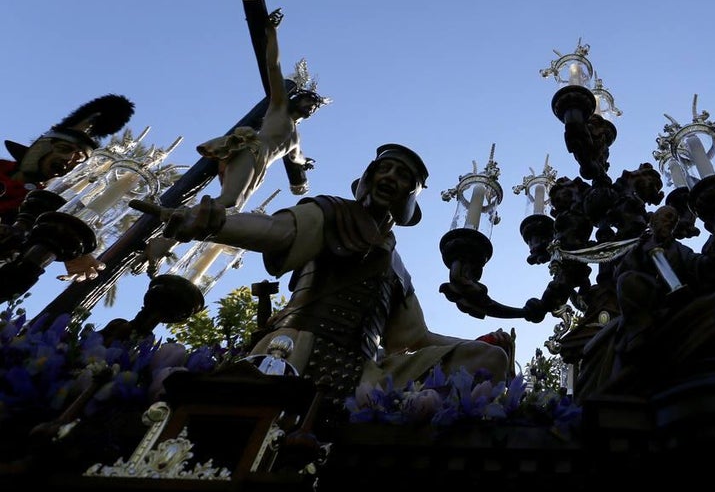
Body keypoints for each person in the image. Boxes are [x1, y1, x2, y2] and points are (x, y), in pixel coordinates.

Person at [135, 143, 513, 403]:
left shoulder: (395, 265)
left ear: (408, 198)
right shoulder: (331, 212)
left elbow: (414, 336)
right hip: (294, 348)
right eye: (384, 169)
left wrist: (486, 342)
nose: (390, 178)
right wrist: (212, 223)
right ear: (368, 178)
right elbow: (277, 232)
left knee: (487, 361)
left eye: (402, 176)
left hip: (364, 369)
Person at [196, 9, 327, 211]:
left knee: (232, 211)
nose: (312, 106)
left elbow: (297, 158)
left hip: (261, 167)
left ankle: (182, 227)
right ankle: (174, 217)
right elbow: (273, 67)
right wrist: (272, 32)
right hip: (252, 150)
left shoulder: (295, 139)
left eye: (315, 107)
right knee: (228, 200)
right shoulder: (279, 106)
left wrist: (306, 162)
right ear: (296, 99)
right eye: (308, 100)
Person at [1, 95, 134, 279]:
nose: (68, 160)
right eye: (64, 149)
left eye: (78, 161)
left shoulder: (48, 212)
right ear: (40, 148)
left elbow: (54, 234)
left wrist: (75, 250)